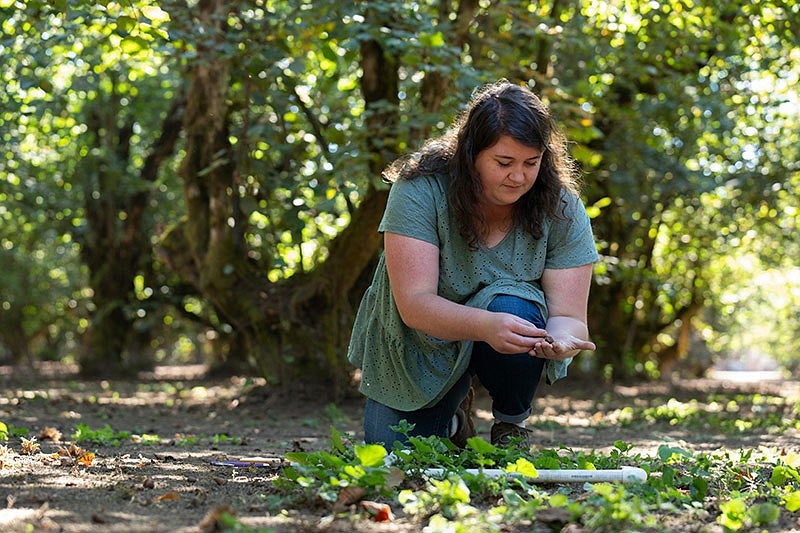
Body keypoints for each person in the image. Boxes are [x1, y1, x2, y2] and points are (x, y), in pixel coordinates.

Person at [347, 79, 598, 449]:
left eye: (531, 162)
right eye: (503, 162)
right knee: (395, 454)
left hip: (505, 325)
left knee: (516, 307)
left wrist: (560, 340)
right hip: (420, 339)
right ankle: (453, 417)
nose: (518, 176)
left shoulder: (561, 206)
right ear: (470, 154)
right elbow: (414, 304)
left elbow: (571, 317)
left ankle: (511, 423)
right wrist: (484, 325)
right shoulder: (420, 188)